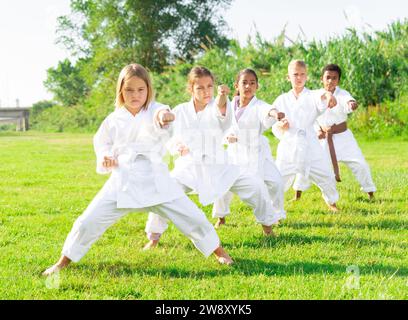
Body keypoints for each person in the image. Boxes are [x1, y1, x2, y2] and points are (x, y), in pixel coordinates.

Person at [42, 64, 233, 276]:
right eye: (129, 90)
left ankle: (219, 252)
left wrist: (164, 117)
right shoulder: (114, 119)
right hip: (123, 179)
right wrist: (105, 156)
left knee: (193, 217)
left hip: (157, 180)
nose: (135, 95)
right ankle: (63, 261)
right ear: (121, 91)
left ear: (148, 90)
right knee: (88, 221)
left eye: (141, 89)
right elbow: (102, 142)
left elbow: (163, 114)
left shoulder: (155, 108)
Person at [144, 66, 278, 250]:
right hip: (189, 166)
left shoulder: (218, 106)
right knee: (165, 191)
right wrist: (177, 146)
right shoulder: (181, 111)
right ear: (191, 89)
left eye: (210, 86)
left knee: (256, 186)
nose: (206, 91)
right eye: (200, 88)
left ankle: (268, 227)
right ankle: (154, 237)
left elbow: (222, 112)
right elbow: (169, 136)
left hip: (219, 165)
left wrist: (222, 95)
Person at [212, 68, 286, 228]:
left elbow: (268, 110)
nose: (248, 86)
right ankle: (221, 217)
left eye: (252, 83)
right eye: (244, 82)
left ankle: (277, 214)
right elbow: (220, 123)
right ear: (236, 85)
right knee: (223, 185)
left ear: (257, 86)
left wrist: (276, 114)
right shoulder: (230, 106)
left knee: (277, 182)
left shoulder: (259, 106)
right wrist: (228, 137)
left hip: (257, 153)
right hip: (234, 153)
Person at [292, 64, 376, 200]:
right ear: (322, 79)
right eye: (328, 77)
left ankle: (370, 192)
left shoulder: (342, 94)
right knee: (306, 162)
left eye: (334, 78)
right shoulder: (314, 95)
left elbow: (348, 102)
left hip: (343, 137)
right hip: (322, 138)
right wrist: (317, 130)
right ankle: (297, 195)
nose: (330, 81)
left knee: (359, 163)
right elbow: (308, 116)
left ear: (338, 81)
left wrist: (351, 104)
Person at [271, 60, 340, 211]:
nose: (299, 78)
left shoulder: (312, 95)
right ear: (288, 77)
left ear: (306, 77)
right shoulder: (282, 99)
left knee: (326, 175)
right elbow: (273, 124)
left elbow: (321, 95)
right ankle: (274, 211)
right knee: (277, 180)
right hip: (289, 144)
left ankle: (331, 202)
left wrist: (329, 95)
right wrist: (281, 126)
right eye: (295, 74)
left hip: (310, 143)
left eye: (302, 74)